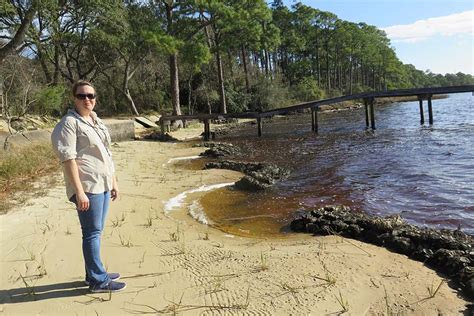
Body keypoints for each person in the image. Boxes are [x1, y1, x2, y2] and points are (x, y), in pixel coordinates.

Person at [51, 80, 126, 293]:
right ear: (74, 98)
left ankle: (93, 272)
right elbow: (68, 159)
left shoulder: (95, 120)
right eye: (82, 96)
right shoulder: (69, 123)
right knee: (91, 233)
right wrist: (79, 192)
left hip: (102, 183)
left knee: (96, 231)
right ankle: (98, 281)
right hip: (87, 187)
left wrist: (113, 181)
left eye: (91, 95)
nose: (87, 99)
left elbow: (106, 154)